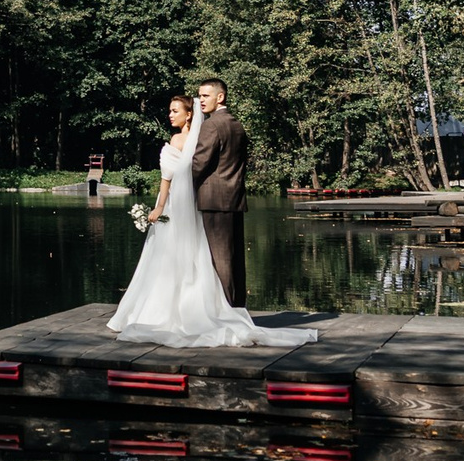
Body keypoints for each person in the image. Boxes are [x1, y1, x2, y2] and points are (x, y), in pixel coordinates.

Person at [106, 93, 317, 348]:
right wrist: (160, 205)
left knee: (189, 255)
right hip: (182, 206)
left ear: (188, 114)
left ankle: (186, 310)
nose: (170, 115)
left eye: (175, 111)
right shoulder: (185, 139)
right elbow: (168, 178)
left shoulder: (195, 139)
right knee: (171, 256)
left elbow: (180, 176)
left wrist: (165, 203)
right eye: (170, 110)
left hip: (190, 206)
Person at [189, 77, 250, 306]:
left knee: (220, 258)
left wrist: (181, 185)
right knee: (235, 259)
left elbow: (199, 163)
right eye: (200, 96)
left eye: (205, 96)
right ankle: (238, 308)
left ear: (220, 97)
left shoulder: (211, 125)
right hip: (234, 198)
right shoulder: (236, 124)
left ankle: (227, 313)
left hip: (214, 199)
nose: (201, 100)